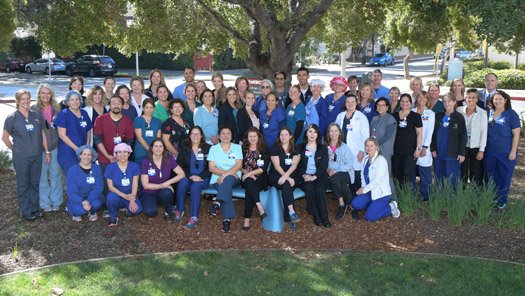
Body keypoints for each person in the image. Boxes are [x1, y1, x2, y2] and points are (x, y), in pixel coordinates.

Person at [3, 90, 50, 221]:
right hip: (21, 157)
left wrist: (46, 152)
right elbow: (5, 137)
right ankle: (26, 210)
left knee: (34, 182)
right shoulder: (12, 118)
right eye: (23, 99)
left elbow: (42, 134)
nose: (26, 101)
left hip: (36, 155)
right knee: (23, 184)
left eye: (28, 98)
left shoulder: (36, 116)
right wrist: (15, 149)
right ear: (17, 101)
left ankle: (34, 208)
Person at [483, 90, 520, 209]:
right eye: (495, 99)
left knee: (504, 176)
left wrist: (513, 151)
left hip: (506, 152)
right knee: (490, 175)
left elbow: (516, 134)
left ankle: (502, 200)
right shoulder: (489, 112)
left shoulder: (511, 114)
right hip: (490, 151)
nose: (497, 101)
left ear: (505, 100)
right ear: (492, 101)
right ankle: (492, 197)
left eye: (500, 98)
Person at [30, 84, 63, 212]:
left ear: (52, 95)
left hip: (55, 147)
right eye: (43, 93)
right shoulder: (33, 110)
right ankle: (45, 203)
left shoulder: (57, 108)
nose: (45, 96)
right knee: (42, 177)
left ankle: (56, 201)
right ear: (39, 94)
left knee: (56, 175)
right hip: (40, 150)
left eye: (48, 93)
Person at [351, 138, 401, 222]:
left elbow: (377, 181)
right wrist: (363, 188)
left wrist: (363, 190)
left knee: (370, 217)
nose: (369, 148)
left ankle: (391, 208)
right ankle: (374, 206)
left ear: (376, 147)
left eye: (371, 146)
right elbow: (363, 175)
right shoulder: (366, 159)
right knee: (355, 204)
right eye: (367, 146)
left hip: (380, 194)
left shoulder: (381, 160)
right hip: (369, 191)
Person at [207, 126, 243, 233]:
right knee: (225, 185)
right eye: (223, 133)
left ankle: (218, 202)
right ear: (219, 136)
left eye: (228, 133)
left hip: (233, 178)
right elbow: (211, 168)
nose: (226, 135)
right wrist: (225, 175)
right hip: (217, 179)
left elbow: (238, 165)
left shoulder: (237, 148)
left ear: (232, 136)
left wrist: (224, 175)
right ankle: (226, 220)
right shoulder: (213, 148)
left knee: (226, 181)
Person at [140, 138, 185, 221]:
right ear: (152, 148)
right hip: (148, 192)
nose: (158, 148)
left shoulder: (169, 159)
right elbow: (145, 185)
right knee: (150, 212)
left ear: (164, 148)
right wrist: (162, 185)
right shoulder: (145, 162)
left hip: (163, 191)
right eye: (156, 146)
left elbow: (182, 174)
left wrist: (168, 183)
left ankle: (168, 212)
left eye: (161, 146)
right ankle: (153, 203)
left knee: (167, 192)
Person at [176, 127, 211, 229]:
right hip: (188, 175)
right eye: (193, 134)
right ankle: (179, 209)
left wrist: (200, 177)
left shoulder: (208, 148)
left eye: (197, 134)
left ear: (201, 136)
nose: (195, 136)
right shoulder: (184, 148)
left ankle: (194, 216)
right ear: (190, 136)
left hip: (203, 177)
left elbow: (211, 166)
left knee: (195, 187)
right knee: (182, 183)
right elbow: (180, 166)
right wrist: (190, 176)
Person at [431, 93, 467, 187]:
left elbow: (463, 136)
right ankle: (440, 198)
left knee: (453, 180)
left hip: (453, 154)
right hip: (439, 153)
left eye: (449, 101)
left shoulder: (459, 117)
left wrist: (462, 153)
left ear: (454, 102)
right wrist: (433, 148)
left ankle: (452, 200)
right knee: (439, 179)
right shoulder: (438, 116)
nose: (447, 104)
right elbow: (433, 134)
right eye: (445, 101)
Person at [336, 94, 369, 194]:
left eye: (352, 102)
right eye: (348, 102)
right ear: (345, 104)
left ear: (356, 103)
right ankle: (347, 197)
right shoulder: (340, 116)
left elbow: (366, 136)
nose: (350, 104)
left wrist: (362, 150)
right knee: (344, 173)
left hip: (356, 151)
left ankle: (356, 197)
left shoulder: (361, 117)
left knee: (356, 174)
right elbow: (335, 132)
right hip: (342, 150)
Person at [298, 124, 331, 227]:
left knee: (320, 190)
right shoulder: (300, 147)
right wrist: (304, 175)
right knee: (309, 189)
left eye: (315, 132)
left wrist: (314, 176)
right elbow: (297, 165)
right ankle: (316, 216)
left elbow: (323, 166)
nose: (312, 134)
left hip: (319, 176)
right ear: (306, 133)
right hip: (305, 176)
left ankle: (325, 217)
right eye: (310, 131)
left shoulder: (322, 148)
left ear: (318, 135)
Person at [269, 127, 302, 230]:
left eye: (285, 134)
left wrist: (286, 177)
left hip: (292, 175)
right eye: (281, 135)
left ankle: (289, 217)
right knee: (286, 185)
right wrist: (286, 177)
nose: (283, 137)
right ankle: (291, 212)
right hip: (276, 175)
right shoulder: (275, 147)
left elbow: (294, 165)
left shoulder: (295, 148)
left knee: (286, 185)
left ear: (290, 136)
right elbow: (276, 166)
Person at [93, 95, 135, 174]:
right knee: (106, 182)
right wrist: (108, 156)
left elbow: (129, 141)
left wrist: (122, 155)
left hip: (122, 158)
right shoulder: (100, 119)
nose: (116, 105)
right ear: (109, 105)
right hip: (104, 157)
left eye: (119, 103)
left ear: (122, 106)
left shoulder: (128, 121)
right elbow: (97, 140)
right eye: (113, 103)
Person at [55, 90, 92, 175]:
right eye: (72, 100)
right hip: (68, 153)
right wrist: (78, 149)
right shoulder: (63, 115)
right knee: (73, 178)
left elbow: (89, 130)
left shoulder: (84, 113)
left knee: (84, 178)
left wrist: (86, 147)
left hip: (84, 153)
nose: (75, 102)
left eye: (77, 99)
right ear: (67, 102)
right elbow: (62, 135)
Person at [105, 143, 142, 226]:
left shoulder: (134, 166)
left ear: (129, 154)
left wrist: (132, 200)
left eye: (125, 152)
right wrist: (125, 196)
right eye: (119, 152)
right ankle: (113, 217)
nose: (122, 155)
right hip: (116, 194)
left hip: (130, 194)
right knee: (110, 198)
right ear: (116, 154)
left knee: (138, 210)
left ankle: (128, 208)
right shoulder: (110, 167)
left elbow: (135, 184)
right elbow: (110, 187)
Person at [240, 127, 270, 231]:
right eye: (250, 136)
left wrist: (250, 173)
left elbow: (263, 168)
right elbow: (240, 166)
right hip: (247, 178)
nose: (252, 138)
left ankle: (247, 220)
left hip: (261, 179)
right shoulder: (243, 149)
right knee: (249, 182)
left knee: (249, 191)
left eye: (254, 136)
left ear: (258, 137)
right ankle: (260, 207)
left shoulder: (264, 150)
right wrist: (247, 174)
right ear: (247, 138)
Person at [66, 145, 104, 222]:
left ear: (92, 156)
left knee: (96, 204)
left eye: (89, 154)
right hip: (78, 198)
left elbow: (98, 187)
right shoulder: (73, 170)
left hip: (92, 197)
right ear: (80, 155)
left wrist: (89, 200)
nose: (87, 157)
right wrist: (82, 201)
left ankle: (92, 211)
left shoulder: (96, 168)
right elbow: (71, 190)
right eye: (84, 154)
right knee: (79, 210)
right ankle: (74, 210)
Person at [457, 89, 487, 185]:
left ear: (477, 99)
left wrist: (481, 150)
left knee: (476, 171)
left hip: (476, 146)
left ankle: (475, 193)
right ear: (465, 98)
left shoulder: (482, 113)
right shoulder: (459, 110)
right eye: (469, 97)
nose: (471, 99)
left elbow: (484, 132)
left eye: (474, 97)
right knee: (462, 170)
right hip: (462, 146)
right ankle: (462, 191)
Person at [370, 97, 398, 202]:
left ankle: (393, 200)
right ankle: (380, 199)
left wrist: (374, 145)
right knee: (376, 175)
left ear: (387, 107)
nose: (380, 107)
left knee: (387, 176)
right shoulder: (374, 119)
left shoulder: (390, 119)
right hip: (374, 152)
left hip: (385, 151)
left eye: (383, 105)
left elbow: (387, 136)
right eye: (378, 105)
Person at [392, 93, 422, 186]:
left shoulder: (416, 116)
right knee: (397, 173)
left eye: (407, 101)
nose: (404, 103)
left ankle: (408, 196)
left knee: (407, 173)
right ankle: (399, 196)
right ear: (399, 102)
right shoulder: (394, 115)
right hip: (396, 150)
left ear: (410, 103)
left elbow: (419, 133)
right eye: (402, 101)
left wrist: (418, 149)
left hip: (410, 151)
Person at [325, 123, 354, 220]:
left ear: (339, 133)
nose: (333, 133)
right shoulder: (325, 147)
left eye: (336, 131)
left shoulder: (344, 147)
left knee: (335, 178)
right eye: (331, 131)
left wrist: (336, 170)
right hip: (332, 174)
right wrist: (327, 169)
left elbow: (349, 163)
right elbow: (322, 163)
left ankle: (342, 204)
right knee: (341, 183)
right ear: (328, 133)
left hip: (346, 172)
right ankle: (352, 206)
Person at [412, 91, 435, 200]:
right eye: (419, 97)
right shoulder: (412, 112)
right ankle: (411, 193)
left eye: (424, 97)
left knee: (425, 171)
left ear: (427, 99)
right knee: (411, 171)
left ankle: (425, 195)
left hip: (425, 147)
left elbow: (429, 132)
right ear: (416, 99)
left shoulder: (430, 113)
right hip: (412, 146)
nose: (421, 99)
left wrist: (425, 147)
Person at [134, 99, 162, 166]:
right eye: (147, 107)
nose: (149, 110)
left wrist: (155, 150)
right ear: (143, 108)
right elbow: (139, 138)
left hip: (155, 153)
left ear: (154, 109)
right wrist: (150, 150)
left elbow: (158, 138)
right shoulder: (138, 120)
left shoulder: (157, 121)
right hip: (141, 153)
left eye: (151, 107)